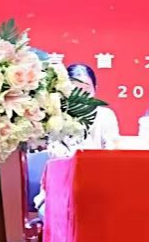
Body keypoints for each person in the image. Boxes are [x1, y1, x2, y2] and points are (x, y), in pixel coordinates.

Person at [34, 63, 120, 217]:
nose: (81, 95)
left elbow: (112, 152)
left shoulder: (105, 116)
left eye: (86, 89)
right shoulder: (55, 115)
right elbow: (56, 155)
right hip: (60, 190)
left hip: (96, 191)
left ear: (95, 90)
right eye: (75, 89)